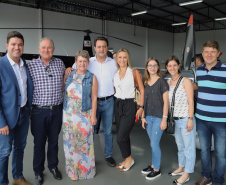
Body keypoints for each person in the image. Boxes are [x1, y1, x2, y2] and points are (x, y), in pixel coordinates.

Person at [27, 37, 66, 185]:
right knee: (39, 142)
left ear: (53, 49)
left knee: (54, 141)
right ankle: (38, 171)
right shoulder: (31, 66)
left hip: (56, 110)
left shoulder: (60, 64)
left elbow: (65, 80)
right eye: (43, 47)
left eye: (49, 47)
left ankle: (53, 166)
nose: (46, 50)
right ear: (38, 50)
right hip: (38, 112)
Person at [0, 31, 33, 185]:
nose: (17, 47)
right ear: (7, 46)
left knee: (20, 147)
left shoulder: (24, 64)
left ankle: (17, 177)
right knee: (4, 152)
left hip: (23, 114)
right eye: (13, 44)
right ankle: (2, 182)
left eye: (20, 44)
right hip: (6, 118)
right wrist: (1, 123)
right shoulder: (1, 65)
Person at [193, 41, 226, 185]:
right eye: (206, 51)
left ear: (218, 53)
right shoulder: (199, 70)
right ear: (202, 53)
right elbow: (198, 86)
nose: (209, 54)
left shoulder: (225, 70)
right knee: (205, 150)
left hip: (221, 120)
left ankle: (218, 180)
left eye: (212, 51)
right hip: (201, 119)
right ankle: (207, 176)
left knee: (220, 153)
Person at [63, 50, 98, 180]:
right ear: (76, 62)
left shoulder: (92, 77)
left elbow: (94, 98)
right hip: (69, 115)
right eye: (80, 61)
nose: (82, 63)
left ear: (88, 62)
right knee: (70, 142)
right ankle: (73, 171)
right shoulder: (69, 75)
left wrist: (93, 116)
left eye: (84, 61)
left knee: (85, 142)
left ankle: (86, 172)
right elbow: (64, 92)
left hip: (85, 114)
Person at [166, 56, 196, 185]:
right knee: (180, 146)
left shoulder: (185, 81)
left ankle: (187, 173)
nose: (172, 68)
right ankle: (181, 167)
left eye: (174, 65)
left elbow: (191, 100)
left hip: (185, 119)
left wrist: (190, 119)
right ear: (166, 68)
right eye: (169, 66)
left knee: (189, 147)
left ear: (179, 66)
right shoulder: (167, 83)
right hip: (175, 120)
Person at [114, 49, 144, 171]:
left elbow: (142, 90)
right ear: (117, 59)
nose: (122, 60)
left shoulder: (134, 72)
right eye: (120, 57)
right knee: (124, 135)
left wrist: (141, 107)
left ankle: (129, 158)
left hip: (130, 105)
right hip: (118, 104)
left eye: (124, 57)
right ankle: (127, 159)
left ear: (128, 59)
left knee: (120, 137)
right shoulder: (115, 73)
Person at [141, 57, 169, 180]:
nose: (152, 67)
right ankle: (153, 165)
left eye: (155, 65)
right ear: (147, 67)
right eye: (150, 65)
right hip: (148, 117)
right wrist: (142, 117)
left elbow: (166, 102)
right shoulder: (146, 82)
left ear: (158, 67)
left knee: (154, 143)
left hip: (158, 117)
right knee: (153, 144)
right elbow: (144, 102)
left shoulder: (162, 82)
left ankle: (156, 169)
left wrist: (164, 119)